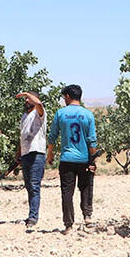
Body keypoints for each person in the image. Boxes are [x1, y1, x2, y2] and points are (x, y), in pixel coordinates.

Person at [47, 84, 98, 235]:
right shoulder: (88, 115)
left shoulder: (61, 114)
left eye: (64, 97)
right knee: (86, 188)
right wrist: (92, 161)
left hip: (67, 159)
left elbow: (52, 137)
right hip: (84, 159)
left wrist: (50, 154)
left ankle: (68, 225)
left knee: (67, 192)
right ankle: (87, 217)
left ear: (68, 97)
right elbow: (92, 141)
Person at [14, 91, 47, 228]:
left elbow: (39, 103)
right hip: (26, 154)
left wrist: (27, 93)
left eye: (29, 99)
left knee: (34, 186)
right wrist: (19, 153)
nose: (26, 101)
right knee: (28, 186)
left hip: (37, 153)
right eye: (26, 99)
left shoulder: (39, 113)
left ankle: (33, 218)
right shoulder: (24, 116)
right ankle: (31, 215)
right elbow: (23, 135)